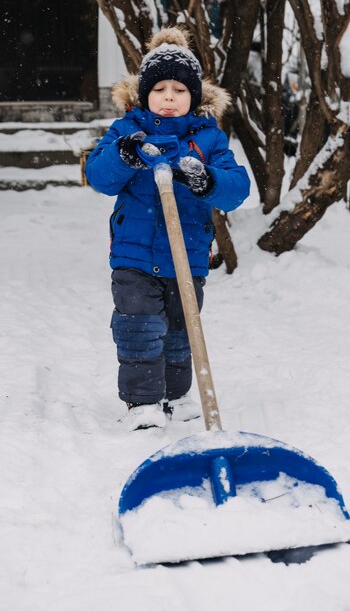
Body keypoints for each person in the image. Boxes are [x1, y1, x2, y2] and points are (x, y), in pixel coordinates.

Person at [85, 27, 250, 430]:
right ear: (144, 94)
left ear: (194, 96)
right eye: (160, 89)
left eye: (180, 89)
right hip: (134, 255)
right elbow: (100, 177)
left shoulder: (208, 140)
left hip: (188, 255)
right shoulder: (126, 132)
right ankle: (143, 403)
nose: (170, 97)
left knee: (181, 330)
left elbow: (236, 188)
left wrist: (206, 180)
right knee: (138, 326)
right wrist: (125, 158)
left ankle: (176, 396)